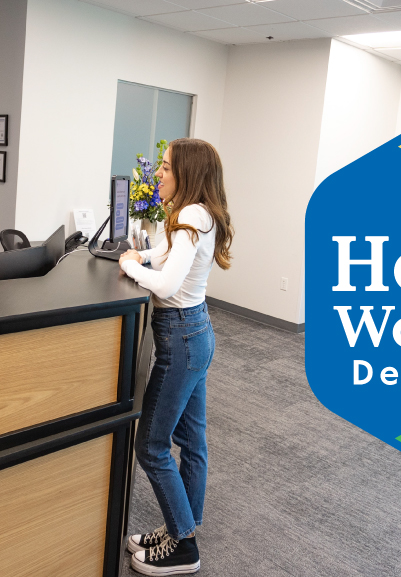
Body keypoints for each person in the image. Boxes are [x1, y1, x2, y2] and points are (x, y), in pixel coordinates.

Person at [118, 138, 234, 576]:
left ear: (187, 173)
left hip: (181, 339)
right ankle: (179, 528)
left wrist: (129, 265)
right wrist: (142, 254)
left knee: (151, 447)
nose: (158, 175)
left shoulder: (189, 215)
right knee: (191, 443)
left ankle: (184, 546)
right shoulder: (200, 213)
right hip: (197, 333)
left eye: (166, 167)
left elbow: (165, 286)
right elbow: (171, 257)